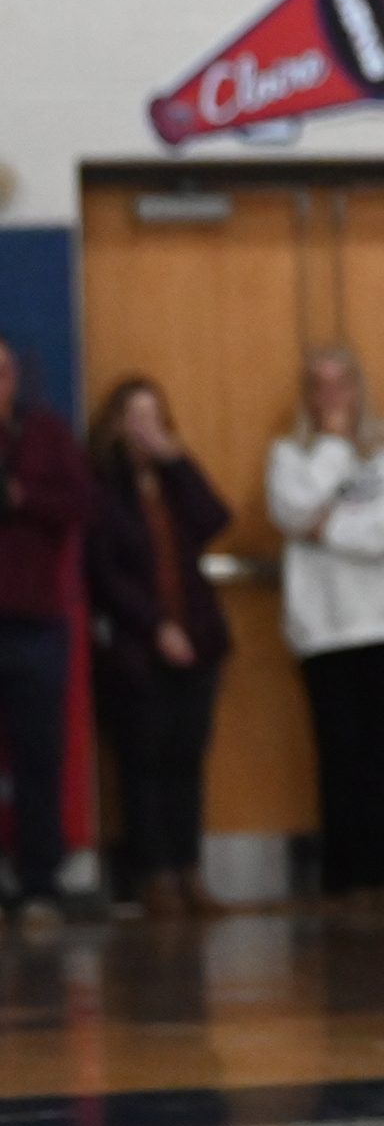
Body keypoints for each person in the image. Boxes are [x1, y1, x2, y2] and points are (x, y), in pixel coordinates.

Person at [265, 346, 384, 904]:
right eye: (320, 385)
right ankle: (344, 877)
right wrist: (334, 446)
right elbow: (293, 510)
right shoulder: (290, 455)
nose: (333, 396)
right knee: (339, 752)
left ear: (361, 388)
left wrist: (328, 531)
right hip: (327, 626)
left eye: (343, 383)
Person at [82, 378, 233, 919]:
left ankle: (191, 870)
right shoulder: (101, 486)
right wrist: (153, 626)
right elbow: (103, 570)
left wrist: (176, 459)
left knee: (187, 758)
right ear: (116, 424)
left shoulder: (173, 480)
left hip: (198, 638)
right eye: (135, 417)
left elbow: (215, 520)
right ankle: (154, 874)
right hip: (137, 646)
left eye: (155, 416)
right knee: (144, 759)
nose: (146, 428)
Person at [0, 335, 90, 929]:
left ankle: (40, 885)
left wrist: (23, 496)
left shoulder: (47, 434)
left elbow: (83, 503)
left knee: (38, 755)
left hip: (34, 620)